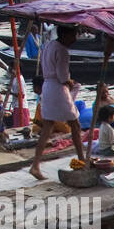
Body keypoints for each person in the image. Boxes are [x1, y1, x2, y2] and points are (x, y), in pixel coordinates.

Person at [30, 25, 85, 179]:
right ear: (65, 35)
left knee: (47, 127)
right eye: (73, 35)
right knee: (75, 125)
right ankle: (82, 160)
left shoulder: (48, 45)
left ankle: (35, 165)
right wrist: (69, 81)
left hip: (48, 87)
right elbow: (62, 77)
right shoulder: (62, 50)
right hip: (58, 89)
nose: (75, 39)